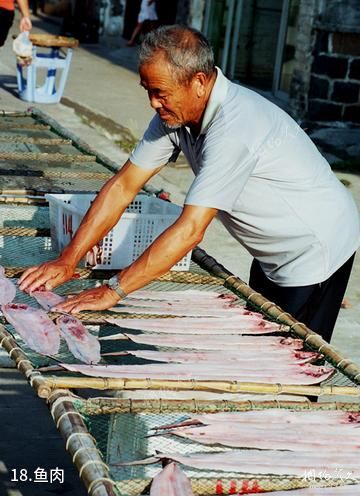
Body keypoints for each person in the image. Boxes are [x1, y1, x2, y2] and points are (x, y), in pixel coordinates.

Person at [19, 25, 360, 343]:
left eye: (160, 93)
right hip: (271, 250)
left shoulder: (235, 128)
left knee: (292, 362)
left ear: (198, 82)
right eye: (148, 91)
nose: (153, 103)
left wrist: (113, 291)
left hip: (314, 249)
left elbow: (191, 230)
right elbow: (124, 184)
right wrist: (69, 258)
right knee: (264, 340)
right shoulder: (175, 115)